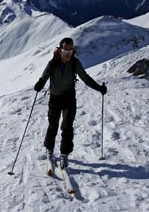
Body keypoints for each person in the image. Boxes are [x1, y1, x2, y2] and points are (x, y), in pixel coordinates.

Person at [33, 37, 107, 170]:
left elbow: (85, 78)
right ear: (60, 49)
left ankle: (64, 154)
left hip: (69, 97)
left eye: (70, 49)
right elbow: (45, 76)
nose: (68, 52)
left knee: (67, 126)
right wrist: (39, 84)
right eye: (65, 49)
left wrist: (99, 88)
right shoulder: (53, 63)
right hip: (55, 98)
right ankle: (49, 150)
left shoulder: (75, 63)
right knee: (53, 125)